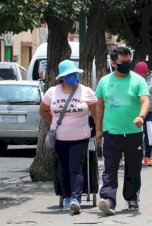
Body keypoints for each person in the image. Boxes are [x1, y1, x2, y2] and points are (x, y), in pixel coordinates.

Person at [96, 47, 150, 216]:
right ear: (113, 63)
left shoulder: (138, 80)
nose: (126, 65)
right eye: (122, 63)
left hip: (133, 133)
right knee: (109, 168)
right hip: (111, 132)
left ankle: (132, 196)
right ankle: (108, 199)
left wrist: (141, 116)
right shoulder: (104, 81)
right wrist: (98, 129)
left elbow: (145, 100)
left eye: (128, 62)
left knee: (133, 168)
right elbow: (99, 106)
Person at [39, 60, 97, 214]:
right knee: (63, 168)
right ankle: (66, 197)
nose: (74, 77)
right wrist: (54, 121)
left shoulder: (86, 91)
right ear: (62, 77)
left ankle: (75, 198)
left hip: (80, 137)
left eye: (75, 74)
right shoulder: (52, 92)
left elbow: (96, 113)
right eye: (70, 74)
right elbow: (43, 110)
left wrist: (99, 131)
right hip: (59, 137)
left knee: (76, 168)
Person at [134, 61, 152, 166]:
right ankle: (136, 156)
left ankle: (147, 156)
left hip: (151, 111)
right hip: (137, 111)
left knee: (148, 135)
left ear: (147, 72)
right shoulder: (134, 79)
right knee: (136, 134)